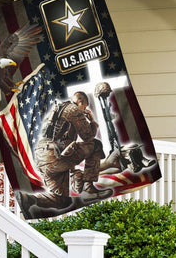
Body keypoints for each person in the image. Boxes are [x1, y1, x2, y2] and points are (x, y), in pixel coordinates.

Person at [16, 91, 113, 219]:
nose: (84, 110)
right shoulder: (73, 109)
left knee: (61, 201)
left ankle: (28, 199)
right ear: (81, 102)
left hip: (42, 157)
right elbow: (88, 136)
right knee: (96, 145)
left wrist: (73, 171)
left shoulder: (57, 109)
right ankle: (89, 189)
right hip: (55, 155)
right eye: (85, 107)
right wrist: (92, 122)